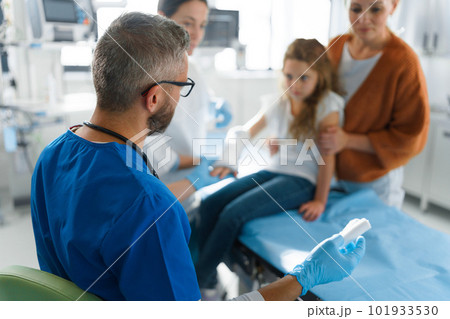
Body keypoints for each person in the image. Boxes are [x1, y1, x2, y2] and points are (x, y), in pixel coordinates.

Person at [30, 13, 365, 301]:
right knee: (225, 210)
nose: (182, 96)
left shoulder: (50, 157)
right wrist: (298, 281)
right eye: (182, 86)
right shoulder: (151, 208)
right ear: (155, 97)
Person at [194, 39, 345, 289]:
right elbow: (247, 131)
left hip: (302, 180)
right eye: (288, 76)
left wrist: (320, 199)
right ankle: (208, 278)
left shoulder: (328, 105)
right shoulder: (280, 100)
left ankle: (194, 285)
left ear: (321, 77)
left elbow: (327, 157)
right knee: (209, 205)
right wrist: (228, 160)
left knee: (233, 215)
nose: (294, 84)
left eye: (304, 78)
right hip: (274, 170)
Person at [318, 0, 429, 208]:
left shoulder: (404, 63)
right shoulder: (335, 47)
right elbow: (311, 100)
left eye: (375, 9)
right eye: (355, 9)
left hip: (372, 184)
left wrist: (347, 140)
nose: (363, 19)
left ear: (393, 7)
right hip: (327, 175)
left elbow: (410, 138)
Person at [145, 0, 233, 203]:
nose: (197, 34)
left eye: (202, 25)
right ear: (163, 19)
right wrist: (197, 165)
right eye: (188, 23)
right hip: (162, 188)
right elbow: (145, 146)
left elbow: (196, 103)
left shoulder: (190, 68)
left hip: (188, 188)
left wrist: (214, 105)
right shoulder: (146, 72)